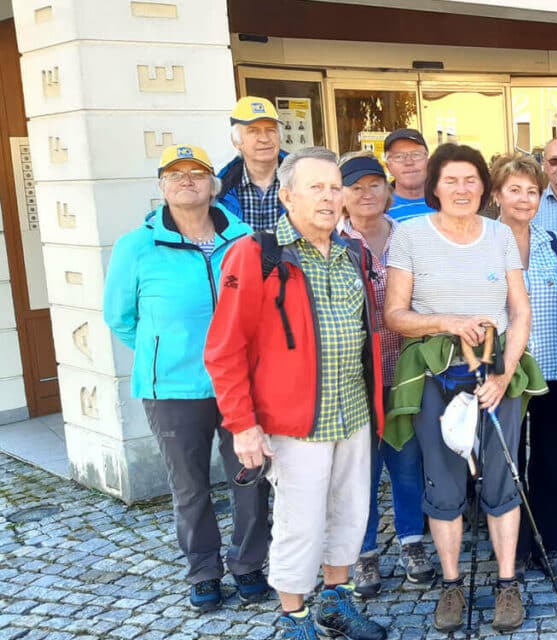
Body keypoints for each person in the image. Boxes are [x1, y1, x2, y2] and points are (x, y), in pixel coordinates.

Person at [205, 146, 387, 640]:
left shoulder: (353, 251)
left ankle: (336, 600)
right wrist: (242, 424)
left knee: (351, 513)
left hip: (353, 412)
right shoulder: (258, 253)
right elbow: (224, 348)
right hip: (295, 420)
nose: (329, 198)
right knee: (298, 522)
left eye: (335, 188)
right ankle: (294, 616)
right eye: (316, 188)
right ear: (286, 196)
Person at [103, 144, 267, 612]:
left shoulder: (244, 240)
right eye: (176, 174)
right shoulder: (136, 245)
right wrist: (164, 352)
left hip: (240, 385)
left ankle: (249, 564)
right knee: (189, 486)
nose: (187, 181)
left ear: (214, 185)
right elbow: (121, 317)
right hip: (173, 389)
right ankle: (204, 572)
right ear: (161, 186)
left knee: (249, 477)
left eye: (197, 173)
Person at [383, 144, 532, 634]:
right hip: (434, 371)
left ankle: (507, 582)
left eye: (471, 180)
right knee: (443, 478)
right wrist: (450, 321)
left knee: (501, 478)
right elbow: (395, 315)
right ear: (435, 187)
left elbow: (520, 309)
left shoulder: (500, 235)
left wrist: (506, 373)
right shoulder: (408, 235)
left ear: (483, 187)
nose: (462, 189)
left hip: (495, 370)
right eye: (451, 180)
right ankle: (451, 585)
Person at [335, 152, 436, 599]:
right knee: (361, 470)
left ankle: (413, 543)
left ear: (388, 189)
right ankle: (366, 552)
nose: (367, 193)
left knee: (407, 463)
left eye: (375, 184)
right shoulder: (332, 243)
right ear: (341, 196)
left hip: (407, 370)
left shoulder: (411, 237)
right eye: (356, 186)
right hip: (355, 377)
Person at [490, 154, 557, 576]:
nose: (525, 199)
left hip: (552, 368)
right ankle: (513, 548)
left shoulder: (553, 243)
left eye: (532, 191)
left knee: (548, 455)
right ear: (497, 195)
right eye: (515, 190)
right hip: (503, 372)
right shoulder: (483, 243)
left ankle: (549, 542)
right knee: (506, 461)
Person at [216, 96, 287, 233]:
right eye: (253, 131)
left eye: (271, 130)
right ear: (236, 141)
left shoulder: (305, 180)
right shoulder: (220, 192)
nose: (264, 139)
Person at [383, 128, 437, 221]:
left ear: (428, 161)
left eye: (416, 155)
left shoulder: (448, 202)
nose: (409, 162)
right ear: (388, 166)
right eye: (398, 157)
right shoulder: (379, 210)